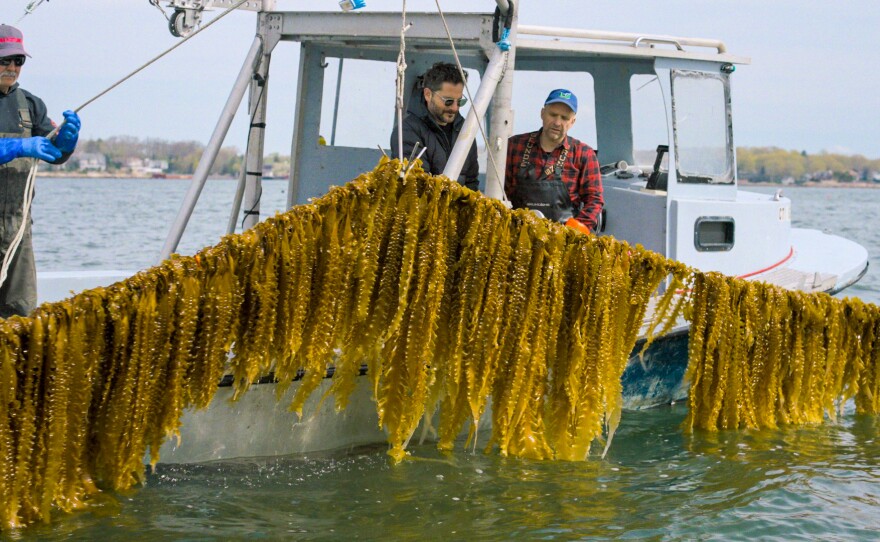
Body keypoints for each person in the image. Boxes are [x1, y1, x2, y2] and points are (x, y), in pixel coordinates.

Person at [0, 24, 81, 318]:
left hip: (18, 230)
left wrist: (66, 140)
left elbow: (55, 152)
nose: (11, 67)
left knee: (20, 315)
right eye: (4, 60)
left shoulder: (30, 105)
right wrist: (14, 148)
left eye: (17, 61)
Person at [504, 89, 603, 232]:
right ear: (542, 113)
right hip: (517, 236)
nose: (557, 122)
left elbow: (594, 200)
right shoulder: (514, 146)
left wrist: (575, 231)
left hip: (563, 241)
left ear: (572, 122)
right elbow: (498, 191)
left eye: (564, 118)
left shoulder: (584, 154)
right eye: (553, 115)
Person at [390, 62, 479, 191]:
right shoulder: (407, 131)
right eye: (448, 101)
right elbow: (416, 187)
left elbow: (471, 182)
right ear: (428, 94)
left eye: (460, 101)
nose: (454, 108)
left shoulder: (465, 130)